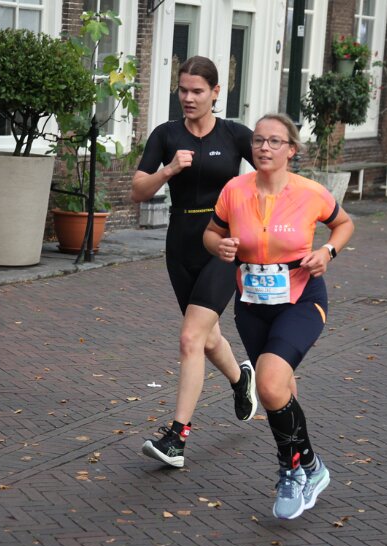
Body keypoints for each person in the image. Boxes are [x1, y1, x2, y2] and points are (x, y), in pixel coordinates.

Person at [203, 113, 355, 520]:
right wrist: (220, 247)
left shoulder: (310, 192)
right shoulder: (234, 190)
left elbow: (343, 224)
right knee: (279, 390)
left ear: (291, 150)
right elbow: (211, 232)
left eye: (274, 141)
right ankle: (311, 468)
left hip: (301, 300)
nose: (264, 148)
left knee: (269, 385)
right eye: (258, 140)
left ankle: (291, 470)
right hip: (251, 305)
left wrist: (327, 252)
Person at [130, 56, 258, 469]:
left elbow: (275, 175)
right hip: (180, 245)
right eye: (183, 90)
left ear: (216, 93)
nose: (188, 97)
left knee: (190, 337)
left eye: (197, 91)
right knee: (206, 336)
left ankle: (176, 438)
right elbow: (138, 190)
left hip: (222, 246)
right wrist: (168, 170)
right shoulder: (166, 135)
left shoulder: (235, 135)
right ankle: (241, 379)